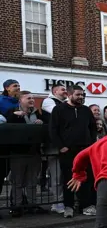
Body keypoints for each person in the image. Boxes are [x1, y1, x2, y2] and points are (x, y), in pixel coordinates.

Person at [49, 85, 97, 218]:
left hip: (85, 150)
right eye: (78, 95)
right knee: (69, 179)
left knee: (86, 179)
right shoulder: (59, 110)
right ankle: (68, 206)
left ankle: (85, 206)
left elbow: (93, 128)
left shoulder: (86, 110)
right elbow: (53, 130)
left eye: (82, 95)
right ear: (69, 95)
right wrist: (61, 146)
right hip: (68, 150)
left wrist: (91, 144)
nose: (81, 97)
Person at [5, 91, 47, 217]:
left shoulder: (38, 113)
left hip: (34, 152)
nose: (32, 100)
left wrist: (41, 123)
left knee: (32, 181)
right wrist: (13, 116)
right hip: (18, 153)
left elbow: (47, 126)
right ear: (20, 100)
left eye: (33, 98)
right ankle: (17, 206)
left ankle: (32, 205)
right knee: (17, 181)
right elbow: (6, 127)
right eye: (28, 98)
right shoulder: (12, 112)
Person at [41, 83, 68, 214]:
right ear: (55, 91)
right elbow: (59, 114)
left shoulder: (64, 103)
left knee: (64, 176)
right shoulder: (48, 101)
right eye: (62, 90)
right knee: (56, 177)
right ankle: (57, 202)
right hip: (54, 147)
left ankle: (62, 201)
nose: (65, 92)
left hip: (65, 146)